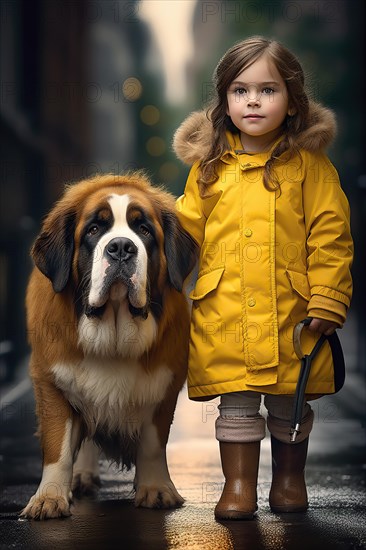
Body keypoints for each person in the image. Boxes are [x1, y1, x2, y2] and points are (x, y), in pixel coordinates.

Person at [173, 36, 353, 520]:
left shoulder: (311, 168)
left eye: (268, 90)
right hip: (226, 311)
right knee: (235, 406)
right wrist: (162, 275)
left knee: (288, 403)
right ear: (224, 101)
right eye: (240, 90)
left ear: (292, 101)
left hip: (291, 313)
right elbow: (186, 230)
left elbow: (329, 234)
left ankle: (290, 480)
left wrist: (328, 298)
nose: (253, 100)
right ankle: (238, 486)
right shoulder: (207, 170)